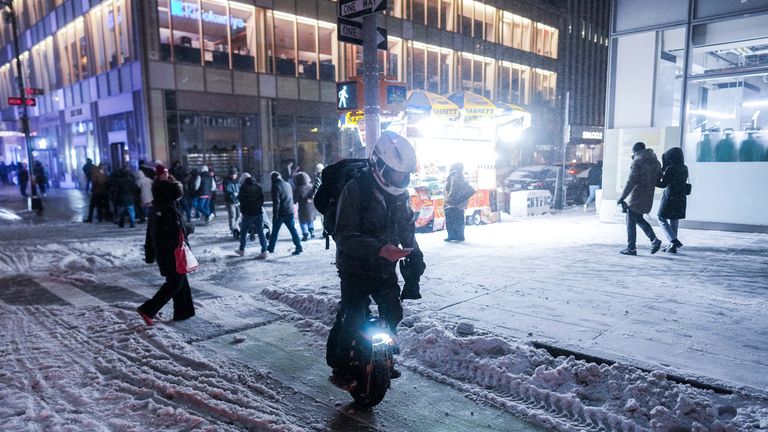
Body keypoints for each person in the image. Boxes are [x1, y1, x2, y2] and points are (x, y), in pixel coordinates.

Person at [326, 131, 424, 386]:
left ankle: (383, 354)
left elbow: (405, 226)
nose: (400, 179)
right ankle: (341, 368)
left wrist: (414, 252)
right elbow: (344, 235)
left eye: (404, 175)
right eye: (395, 174)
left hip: (384, 266)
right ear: (379, 166)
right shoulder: (355, 190)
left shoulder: (401, 194)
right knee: (354, 315)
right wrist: (379, 249)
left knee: (393, 310)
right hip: (354, 266)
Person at [137, 165, 195, 325]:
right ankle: (148, 309)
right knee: (174, 283)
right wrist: (189, 227)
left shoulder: (158, 206)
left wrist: (150, 253)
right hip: (172, 252)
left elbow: (150, 233)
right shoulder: (168, 209)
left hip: (167, 252)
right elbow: (176, 231)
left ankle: (184, 312)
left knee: (181, 280)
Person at [617, 142, 662, 256]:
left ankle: (632, 248)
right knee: (638, 218)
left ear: (635, 151)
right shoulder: (656, 162)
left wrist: (622, 197)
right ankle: (654, 240)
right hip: (648, 194)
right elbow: (659, 179)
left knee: (630, 220)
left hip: (637, 195)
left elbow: (631, 181)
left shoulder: (637, 161)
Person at [656, 147, 688, 254]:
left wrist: (654, 179)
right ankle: (672, 246)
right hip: (681, 197)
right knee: (674, 220)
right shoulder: (684, 167)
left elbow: (663, 184)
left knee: (661, 218)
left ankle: (673, 241)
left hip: (670, 197)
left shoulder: (671, 168)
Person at [266, 171, 303, 255]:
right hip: (289, 211)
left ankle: (271, 248)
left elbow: (276, 202)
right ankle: (299, 246)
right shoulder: (287, 184)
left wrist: (275, 215)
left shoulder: (275, 186)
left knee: (275, 232)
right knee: (293, 230)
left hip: (280, 213)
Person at [234, 173, 268, 259]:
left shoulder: (244, 188)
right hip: (258, 212)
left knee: (243, 232)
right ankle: (264, 251)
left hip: (248, 213)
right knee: (260, 232)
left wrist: (243, 210)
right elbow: (262, 200)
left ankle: (241, 250)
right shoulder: (258, 188)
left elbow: (241, 200)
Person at [443, 162, 474, 242]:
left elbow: (454, 187)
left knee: (450, 219)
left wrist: (450, 198)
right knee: (459, 219)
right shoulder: (460, 175)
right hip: (460, 203)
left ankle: (451, 235)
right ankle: (460, 235)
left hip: (452, 203)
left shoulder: (454, 174)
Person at [293, 171, 317, 241]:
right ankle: (312, 231)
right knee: (311, 220)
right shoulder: (311, 186)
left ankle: (305, 233)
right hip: (312, 207)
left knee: (303, 221)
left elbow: (295, 200)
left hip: (303, 207)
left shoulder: (299, 188)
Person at [223, 167, 241, 238]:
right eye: (232, 174)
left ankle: (237, 227)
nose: (234, 176)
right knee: (232, 215)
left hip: (238, 201)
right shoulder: (226, 181)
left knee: (238, 215)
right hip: (229, 201)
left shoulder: (238, 181)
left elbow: (240, 189)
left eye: (235, 174)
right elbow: (227, 191)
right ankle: (232, 228)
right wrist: (233, 196)